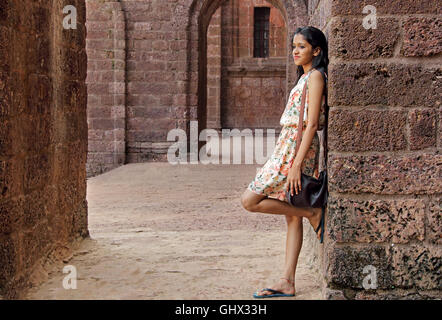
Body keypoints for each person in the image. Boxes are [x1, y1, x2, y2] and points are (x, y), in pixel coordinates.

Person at [240, 26, 329, 298]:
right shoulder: (303, 78)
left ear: (316, 51)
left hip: (295, 151)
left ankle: (314, 213)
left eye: (302, 46)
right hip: (287, 146)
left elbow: (312, 123)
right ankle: (287, 281)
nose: (295, 51)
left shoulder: (315, 77)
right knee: (291, 215)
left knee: (249, 200)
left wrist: (296, 165)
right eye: (294, 46)